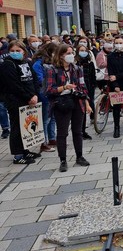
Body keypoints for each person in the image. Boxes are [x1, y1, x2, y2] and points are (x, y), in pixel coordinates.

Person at [46, 44, 92, 172]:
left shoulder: (77, 69)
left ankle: (79, 156)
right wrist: (64, 88)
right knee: (62, 133)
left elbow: (83, 87)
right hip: (61, 103)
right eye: (67, 53)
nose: (71, 55)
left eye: (72, 53)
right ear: (60, 55)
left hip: (77, 101)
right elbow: (49, 90)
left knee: (77, 131)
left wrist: (87, 103)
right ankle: (63, 160)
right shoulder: (52, 70)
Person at [0, 41, 42, 164]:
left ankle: (25, 150)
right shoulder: (7, 65)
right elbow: (13, 85)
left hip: (29, 99)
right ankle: (18, 155)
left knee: (25, 126)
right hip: (15, 100)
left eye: (18, 51)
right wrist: (29, 96)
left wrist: (35, 94)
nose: (15, 53)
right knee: (17, 127)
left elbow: (34, 79)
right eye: (12, 51)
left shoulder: (27, 62)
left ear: (23, 51)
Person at [31, 43, 57, 152]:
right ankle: (43, 142)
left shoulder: (50, 62)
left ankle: (52, 138)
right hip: (44, 95)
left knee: (52, 118)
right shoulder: (38, 64)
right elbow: (39, 80)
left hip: (52, 94)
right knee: (45, 119)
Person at [75, 43, 96, 141]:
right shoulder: (75, 65)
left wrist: (92, 87)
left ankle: (83, 131)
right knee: (80, 110)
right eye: (81, 50)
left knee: (88, 107)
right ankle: (79, 131)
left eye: (85, 51)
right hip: (79, 89)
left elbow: (93, 77)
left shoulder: (90, 63)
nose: (83, 53)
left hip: (89, 88)